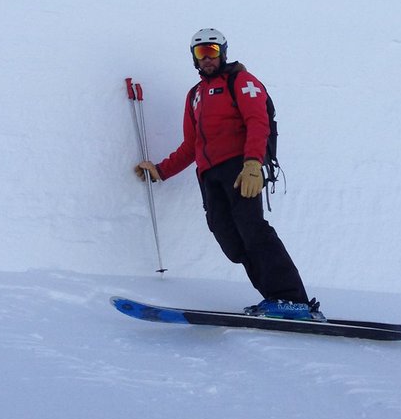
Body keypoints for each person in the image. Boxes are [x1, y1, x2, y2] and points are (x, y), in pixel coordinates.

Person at [134, 28, 323, 321]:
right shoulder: (194, 95)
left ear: (223, 52)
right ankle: (276, 299)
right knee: (231, 241)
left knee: (253, 230)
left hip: (239, 169)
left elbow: (257, 121)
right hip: (210, 177)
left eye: (212, 51)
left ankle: (293, 299)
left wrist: (252, 165)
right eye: (200, 53)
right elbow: (191, 145)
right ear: (194, 58)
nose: (207, 58)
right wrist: (160, 171)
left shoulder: (242, 81)